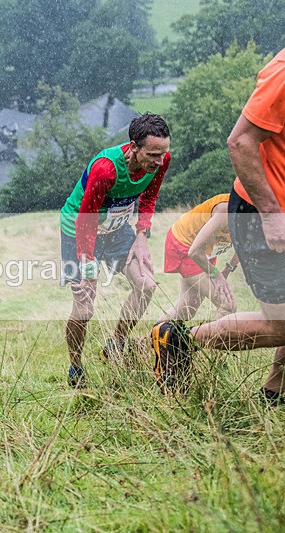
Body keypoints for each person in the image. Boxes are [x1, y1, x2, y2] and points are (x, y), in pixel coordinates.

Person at [152, 49, 285, 397]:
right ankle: (176, 339)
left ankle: (273, 392)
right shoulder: (283, 72)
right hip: (263, 216)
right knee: (279, 323)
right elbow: (239, 141)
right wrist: (271, 217)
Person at [60, 113, 171, 387]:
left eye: (163, 153)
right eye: (153, 154)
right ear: (133, 147)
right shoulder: (106, 169)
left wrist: (142, 234)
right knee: (84, 306)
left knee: (146, 285)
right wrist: (88, 270)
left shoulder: (161, 161)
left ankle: (116, 344)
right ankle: (76, 366)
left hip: (117, 229)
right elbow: (85, 221)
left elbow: (149, 196)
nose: (160, 161)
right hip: (79, 229)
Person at [159, 194, 238, 322]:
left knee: (187, 309)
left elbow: (246, 243)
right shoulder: (226, 210)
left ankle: (148, 340)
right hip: (186, 246)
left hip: (206, 250)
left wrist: (227, 269)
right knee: (227, 306)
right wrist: (216, 275)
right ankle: (206, 341)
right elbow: (195, 252)